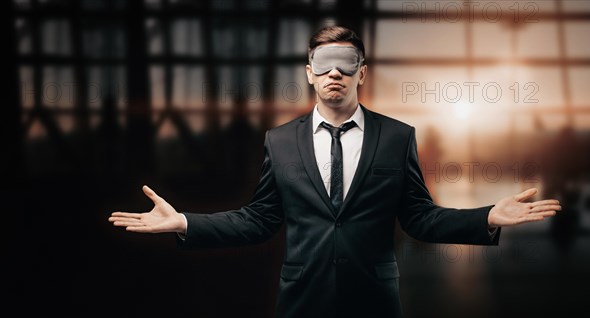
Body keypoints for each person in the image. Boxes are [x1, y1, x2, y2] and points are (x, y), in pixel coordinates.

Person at [109, 26, 561, 318]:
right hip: (302, 301)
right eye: (324, 65)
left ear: (361, 73)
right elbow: (259, 219)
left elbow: (420, 217)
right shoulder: (280, 141)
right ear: (309, 73)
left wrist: (485, 216)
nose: (335, 74)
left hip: (374, 301)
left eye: (347, 64)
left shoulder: (397, 137)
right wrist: (185, 222)